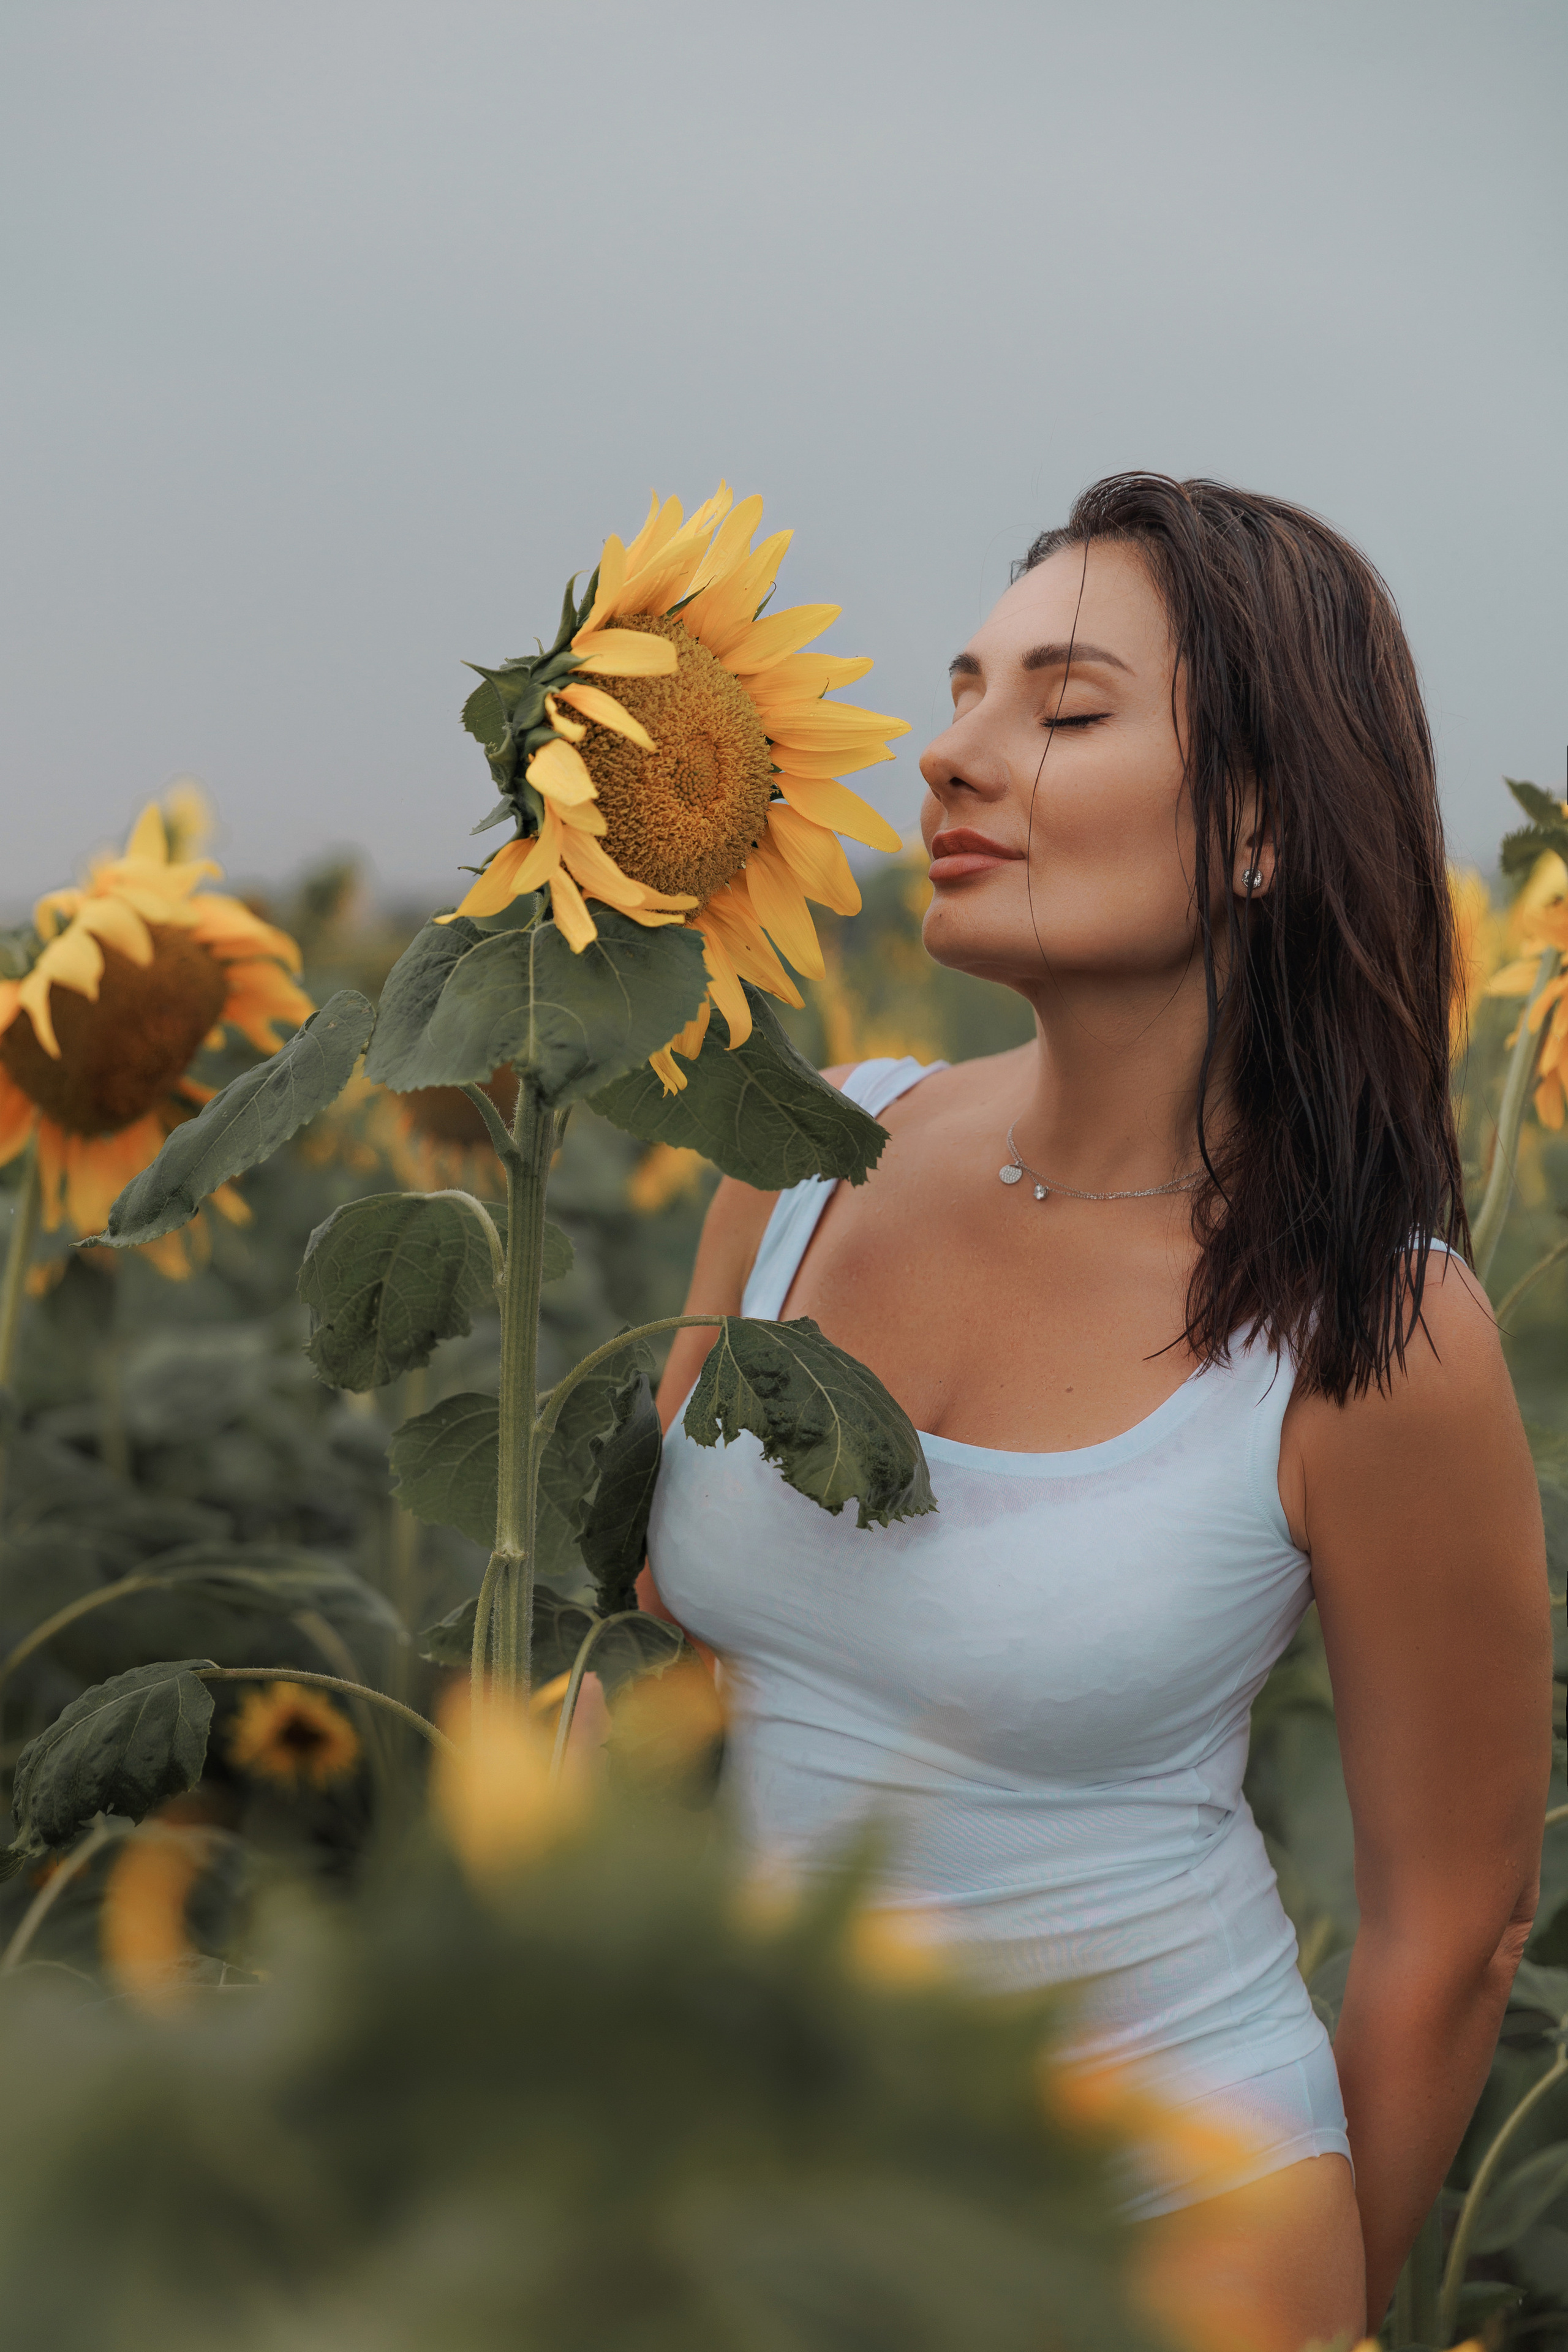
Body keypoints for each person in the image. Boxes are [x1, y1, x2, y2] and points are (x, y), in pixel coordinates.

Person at [638, 472, 1550, 2342]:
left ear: (1263, 828)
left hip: (1151, 2236)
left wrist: (1305, 2304)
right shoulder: (803, 1155)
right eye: (963, 693)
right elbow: (654, 1668)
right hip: (740, 2212)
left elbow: (1454, 1938)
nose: (956, 755)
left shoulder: (1373, 1335)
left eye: (1061, 710)